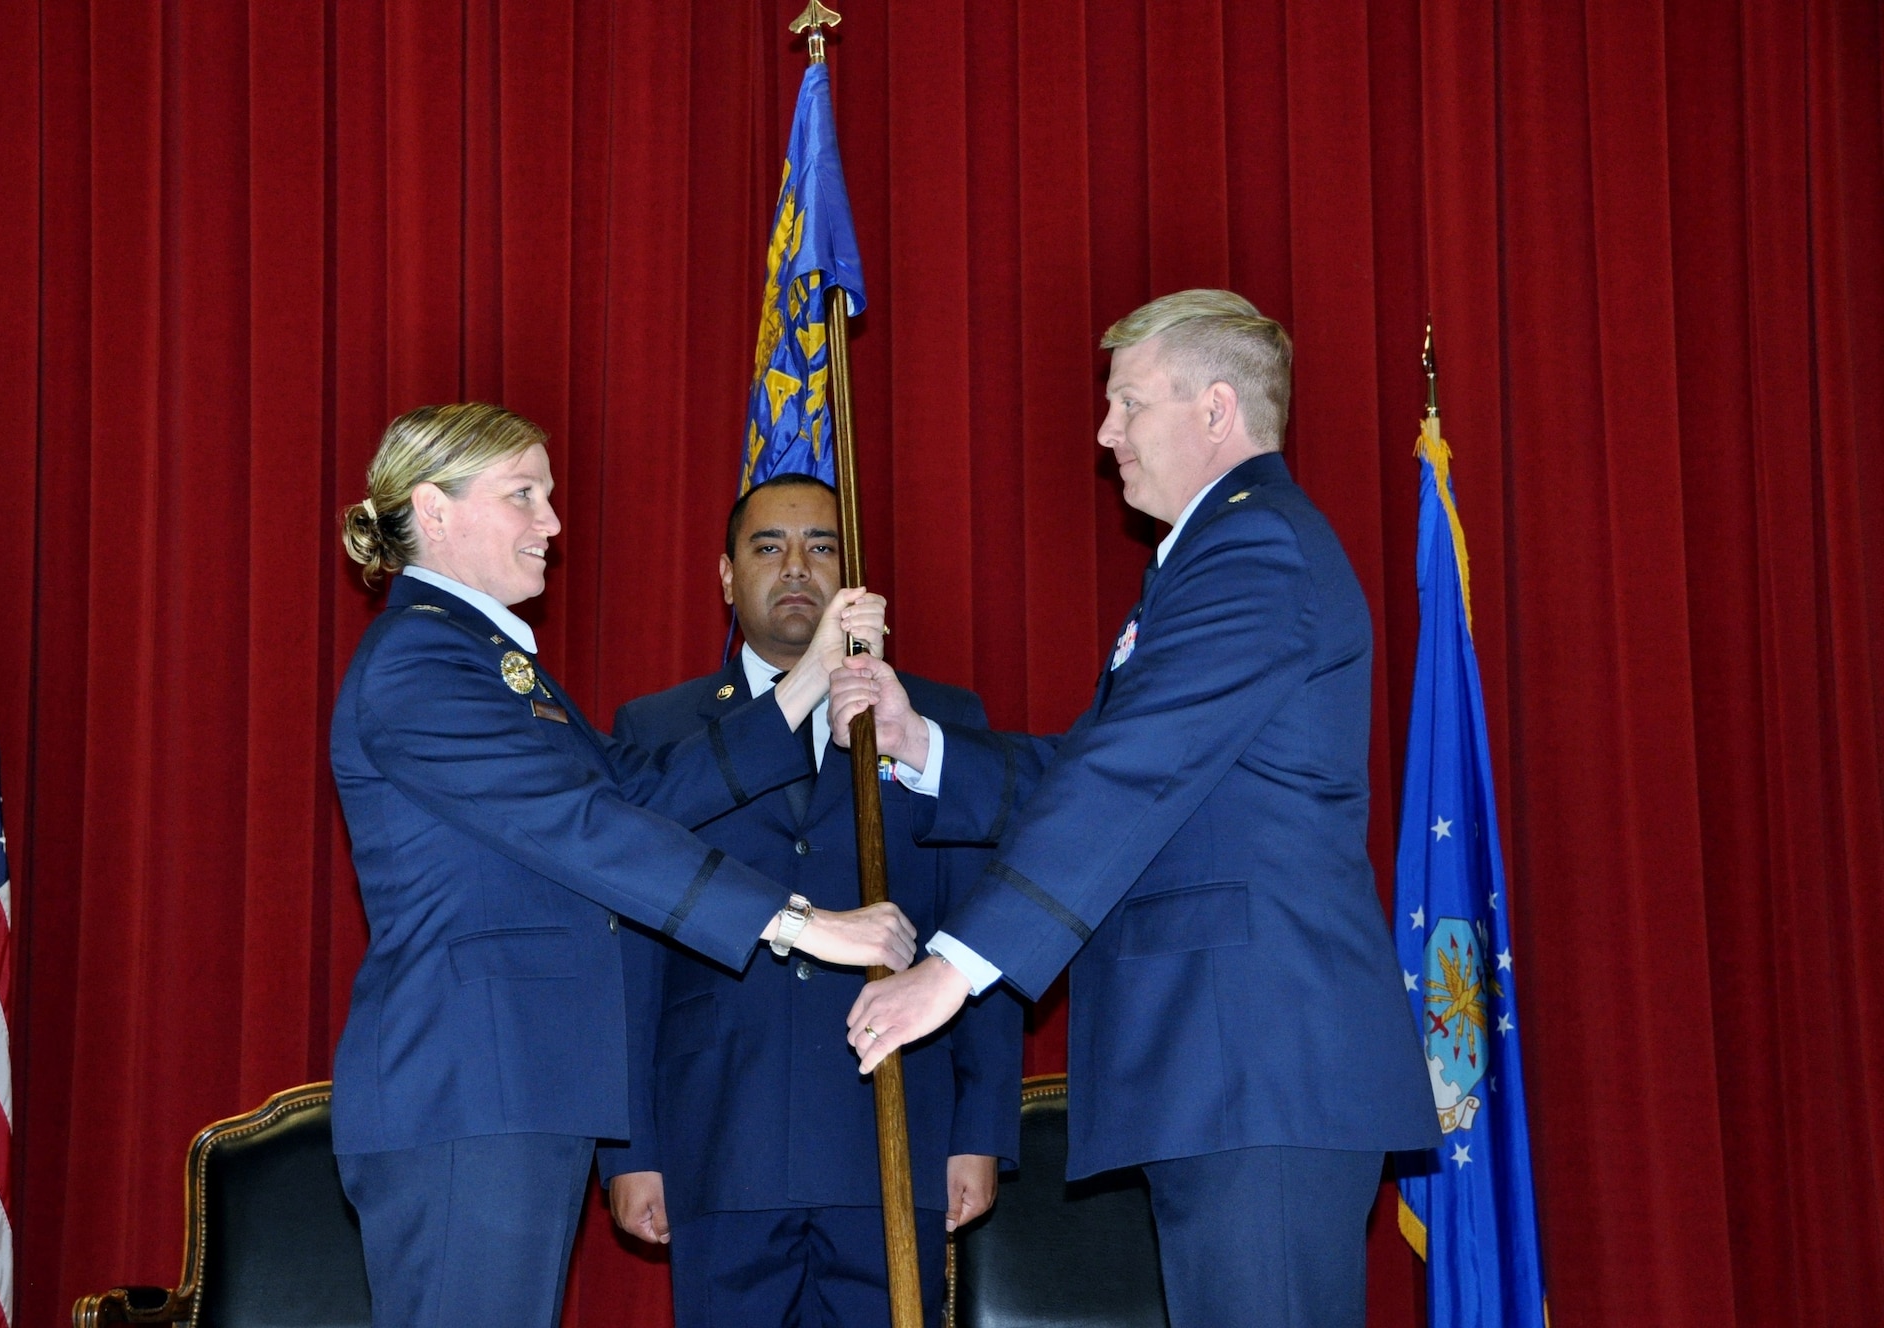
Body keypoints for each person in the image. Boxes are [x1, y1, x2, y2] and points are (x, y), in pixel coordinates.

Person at [832, 292, 1440, 1328]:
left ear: (1214, 409)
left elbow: (1129, 772)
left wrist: (955, 966)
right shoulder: (1209, 560)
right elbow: (1105, 768)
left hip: (1256, 1067)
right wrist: (918, 742)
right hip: (1223, 1072)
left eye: (1124, 402)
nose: (1104, 431)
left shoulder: (1253, 554)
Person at [328, 403, 917, 1328]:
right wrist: (803, 924)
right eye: (524, 495)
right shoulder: (421, 663)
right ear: (433, 511)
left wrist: (808, 681)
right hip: (469, 1089)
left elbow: (638, 791)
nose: (553, 524)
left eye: (549, 497)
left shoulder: (489, 659)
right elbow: (585, 828)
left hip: (519, 1083)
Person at [597, 473, 1023, 1328]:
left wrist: (980, 1128)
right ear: (725, 577)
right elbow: (629, 957)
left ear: (853, 575)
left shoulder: (936, 719)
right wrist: (629, 1150)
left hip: (894, 1132)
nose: (796, 567)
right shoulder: (660, 732)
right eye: (768, 547)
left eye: (821, 546)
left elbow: (981, 923)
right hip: (717, 1140)